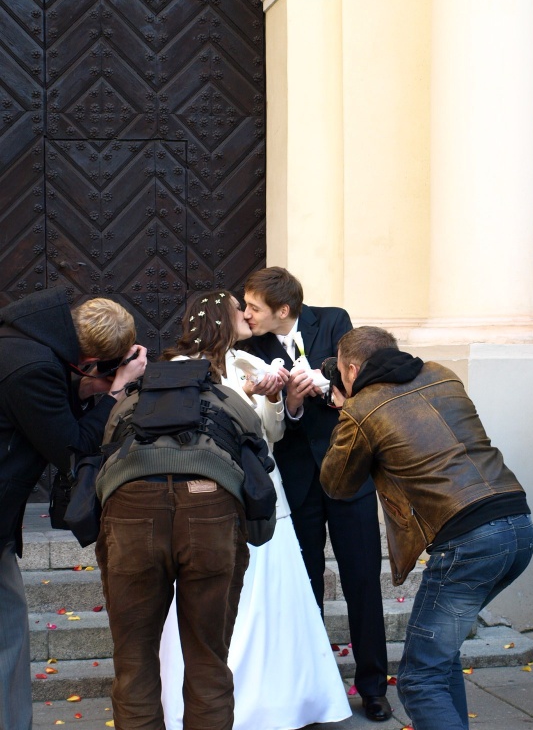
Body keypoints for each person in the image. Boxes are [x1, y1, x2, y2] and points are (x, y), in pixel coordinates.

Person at [320, 326, 533, 730]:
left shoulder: (362, 408)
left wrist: (345, 411)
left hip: (469, 541)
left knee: (419, 680)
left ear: (350, 368)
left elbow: (336, 485)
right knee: (440, 658)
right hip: (518, 525)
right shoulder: (442, 373)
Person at [159, 290, 351, 730]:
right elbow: (190, 426)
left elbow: (271, 433)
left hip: (263, 496)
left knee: (271, 596)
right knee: (215, 600)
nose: (247, 315)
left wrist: (278, 399)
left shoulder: (249, 362)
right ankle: (216, 701)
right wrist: (240, 395)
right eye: (238, 309)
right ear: (219, 319)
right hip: (206, 498)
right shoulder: (175, 370)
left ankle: (279, 699)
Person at [241, 267, 391, 722]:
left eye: (254, 308)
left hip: (349, 473)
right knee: (304, 588)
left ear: (283, 310)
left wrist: (323, 387)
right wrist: (292, 402)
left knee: (363, 581)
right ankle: (311, 688)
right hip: (297, 482)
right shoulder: (250, 348)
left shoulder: (333, 321)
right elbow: (269, 419)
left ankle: (373, 686)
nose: (246, 315)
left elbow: (358, 385)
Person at [0, 285, 146, 730]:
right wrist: (116, 390)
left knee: (9, 626)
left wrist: (97, 385)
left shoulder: (27, 339)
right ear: (89, 363)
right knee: (7, 632)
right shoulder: (32, 368)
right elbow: (73, 447)